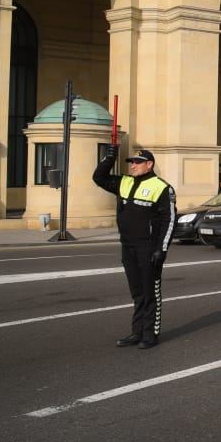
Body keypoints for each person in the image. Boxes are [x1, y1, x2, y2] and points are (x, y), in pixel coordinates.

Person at [93, 147, 175, 349]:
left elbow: (169, 220)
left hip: (148, 247)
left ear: (150, 164)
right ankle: (136, 332)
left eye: (138, 162)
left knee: (150, 292)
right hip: (128, 246)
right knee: (137, 292)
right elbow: (99, 178)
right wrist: (109, 159)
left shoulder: (162, 187)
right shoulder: (124, 182)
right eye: (131, 162)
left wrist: (161, 249)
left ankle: (150, 334)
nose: (133, 165)